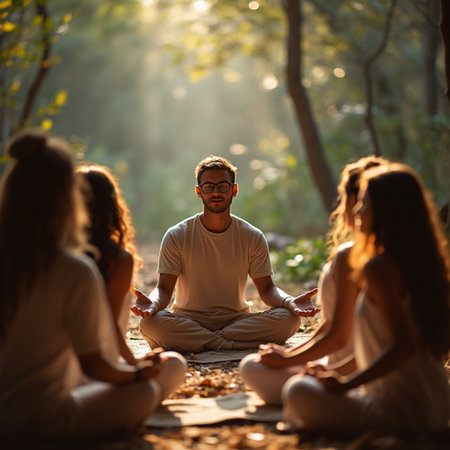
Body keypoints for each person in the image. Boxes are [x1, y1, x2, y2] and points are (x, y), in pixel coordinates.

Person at [0, 130, 186, 443]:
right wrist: (138, 373)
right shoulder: (72, 269)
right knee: (145, 391)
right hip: (40, 422)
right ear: (67, 200)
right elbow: (96, 366)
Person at [282, 163, 450, 436]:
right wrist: (340, 376)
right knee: (308, 384)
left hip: (402, 412)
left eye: (365, 203)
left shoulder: (380, 268)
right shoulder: (428, 265)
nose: (357, 210)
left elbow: (404, 346)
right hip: (437, 406)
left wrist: (344, 385)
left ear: (387, 211)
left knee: (298, 390)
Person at [131, 155, 319, 353]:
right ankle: (229, 344)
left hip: (236, 321)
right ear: (199, 192)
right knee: (151, 324)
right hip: (188, 319)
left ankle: (207, 342)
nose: (215, 193)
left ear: (234, 189)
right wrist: (152, 304)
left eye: (222, 186)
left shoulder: (252, 236)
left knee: (289, 319)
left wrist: (290, 302)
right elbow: (164, 290)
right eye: (209, 187)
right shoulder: (177, 235)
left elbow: (267, 290)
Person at [239, 156, 387, 405]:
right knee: (254, 364)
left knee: (263, 372)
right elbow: (329, 326)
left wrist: (290, 362)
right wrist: (291, 355)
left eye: (354, 199)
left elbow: (342, 336)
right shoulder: (379, 254)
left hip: (355, 368)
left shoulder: (356, 257)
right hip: (340, 360)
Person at [77, 164, 143, 364]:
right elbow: (108, 325)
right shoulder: (119, 258)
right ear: (112, 206)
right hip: (98, 366)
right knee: (172, 365)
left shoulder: (54, 250)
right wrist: (136, 366)